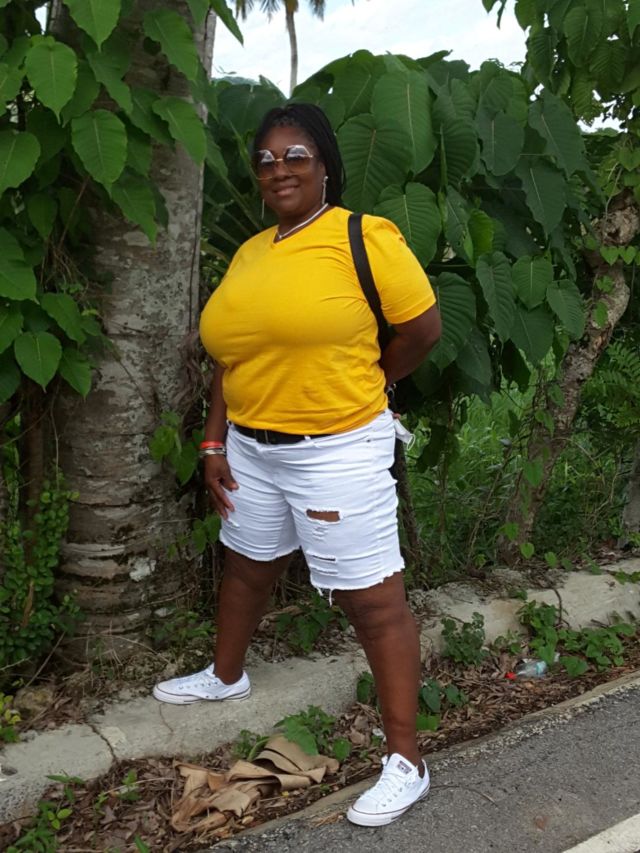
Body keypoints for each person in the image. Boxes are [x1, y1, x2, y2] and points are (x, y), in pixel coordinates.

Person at [153, 103, 442, 827]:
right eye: (265, 160)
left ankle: (406, 761)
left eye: (295, 156)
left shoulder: (364, 237)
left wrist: (370, 382)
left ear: (325, 166)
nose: (278, 169)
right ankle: (226, 676)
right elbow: (232, 356)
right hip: (252, 447)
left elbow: (422, 329)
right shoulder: (253, 252)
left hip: (335, 448)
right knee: (248, 565)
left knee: (372, 602)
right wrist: (214, 440)